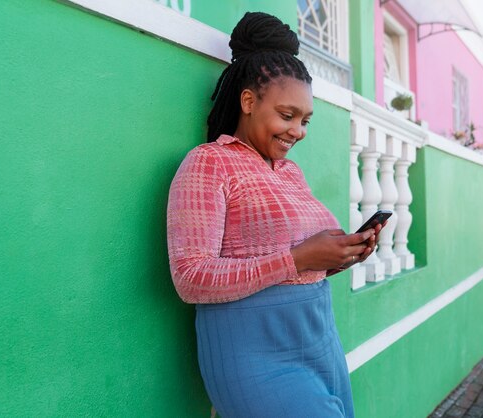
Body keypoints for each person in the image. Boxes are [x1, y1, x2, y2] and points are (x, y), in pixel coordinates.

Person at [167, 12, 381, 418]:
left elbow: (298, 263)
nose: (298, 130)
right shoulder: (209, 163)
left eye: (305, 120)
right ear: (249, 101)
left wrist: (336, 257)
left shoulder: (289, 171)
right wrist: (298, 258)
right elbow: (190, 278)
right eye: (287, 115)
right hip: (252, 351)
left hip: (319, 336)